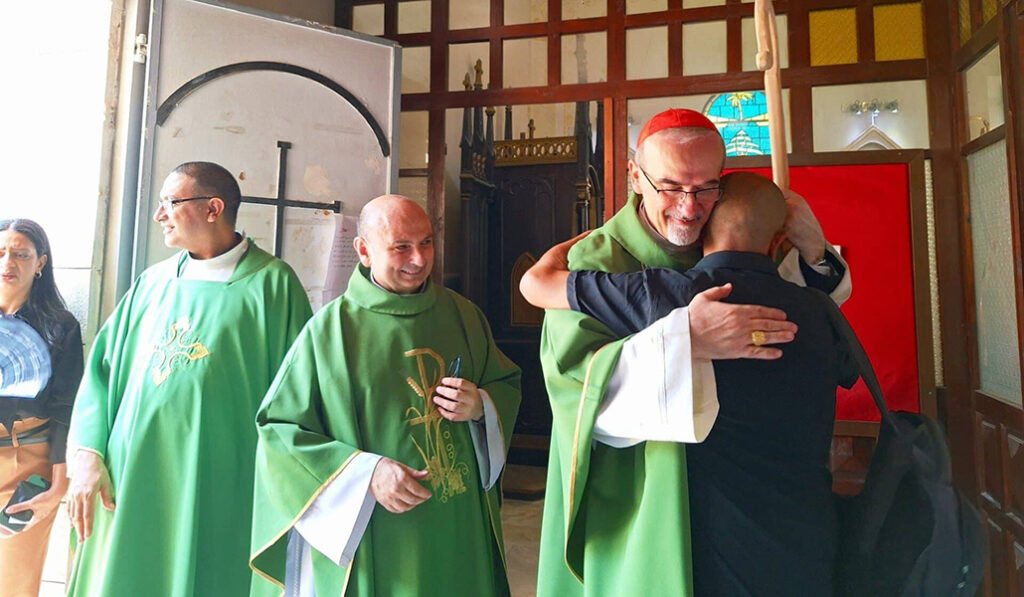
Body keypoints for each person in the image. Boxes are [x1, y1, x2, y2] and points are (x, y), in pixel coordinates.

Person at [532, 109, 852, 597]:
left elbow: (803, 309)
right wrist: (685, 342)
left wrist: (814, 252)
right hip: (641, 493)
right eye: (671, 187)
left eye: (705, 187)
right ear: (635, 177)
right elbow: (578, 388)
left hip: (747, 496)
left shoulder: (735, 230)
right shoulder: (597, 260)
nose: (689, 207)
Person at [249, 195, 521, 597]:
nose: (419, 259)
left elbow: (506, 383)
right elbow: (279, 433)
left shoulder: (463, 315)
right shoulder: (331, 332)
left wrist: (482, 405)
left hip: (459, 521)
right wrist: (365, 473)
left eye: (426, 242)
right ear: (364, 250)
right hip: (379, 527)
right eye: (401, 247)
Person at [65, 162, 312, 597]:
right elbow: (100, 374)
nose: (160, 215)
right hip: (130, 482)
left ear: (213, 208)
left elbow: (300, 393)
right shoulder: (152, 282)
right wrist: (88, 453)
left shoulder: (273, 286)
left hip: (221, 486)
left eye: (170, 203)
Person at [0, 219, 84, 597]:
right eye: (1, 253)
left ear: (40, 263)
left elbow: (68, 412)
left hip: (25, 462)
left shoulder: (60, 327)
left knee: (14, 582)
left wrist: (57, 488)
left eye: (20, 254)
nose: (8, 263)